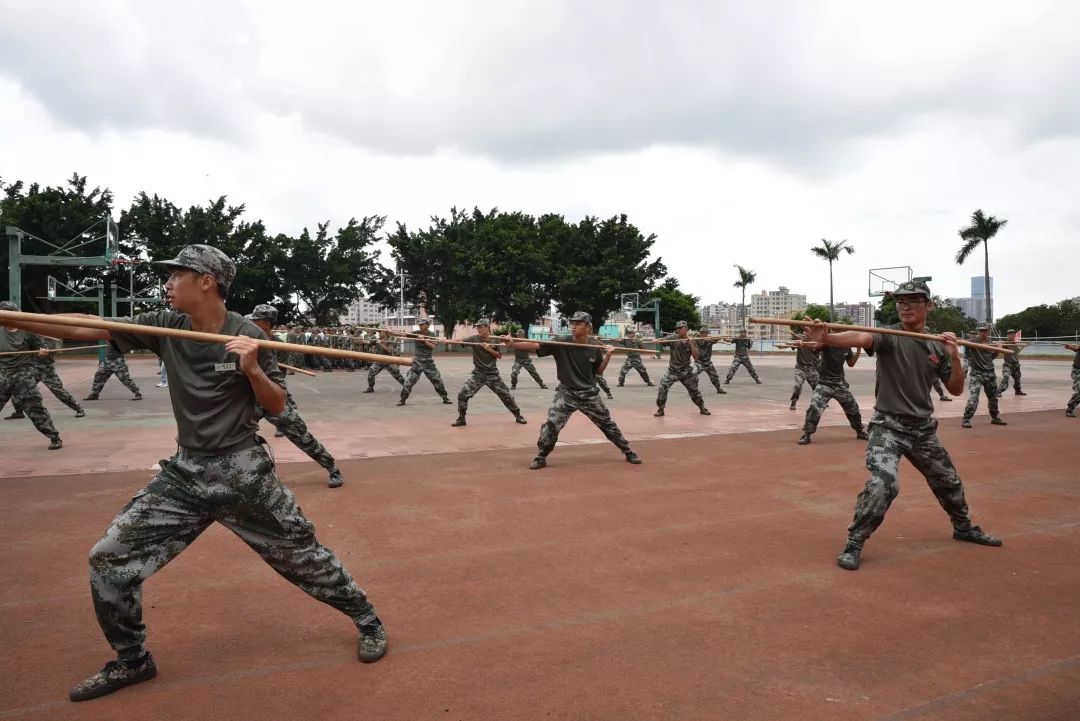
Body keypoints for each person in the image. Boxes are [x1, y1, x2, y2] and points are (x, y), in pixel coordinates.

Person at [8, 246, 386, 701]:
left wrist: (251, 369)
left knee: (303, 558)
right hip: (185, 473)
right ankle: (133, 660)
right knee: (108, 559)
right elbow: (86, 326)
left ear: (206, 281)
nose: (168, 283)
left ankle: (367, 619)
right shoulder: (165, 325)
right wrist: (13, 319)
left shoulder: (247, 334)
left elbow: (278, 405)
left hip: (243, 474)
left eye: (177, 275)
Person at [803, 280, 1002, 571]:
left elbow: (956, 389)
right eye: (901, 302)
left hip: (922, 430)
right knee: (883, 484)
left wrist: (955, 356)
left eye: (913, 301)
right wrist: (828, 338)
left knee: (949, 482)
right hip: (888, 426)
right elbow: (860, 336)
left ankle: (963, 527)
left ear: (929, 306)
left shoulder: (937, 345)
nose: (906, 307)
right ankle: (854, 541)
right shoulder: (889, 335)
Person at [504, 312, 641, 469]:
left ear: (588, 327)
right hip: (567, 392)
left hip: (589, 393)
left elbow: (598, 371)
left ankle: (628, 451)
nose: (573, 327)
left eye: (578, 324)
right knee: (551, 423)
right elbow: (536, 346)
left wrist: (608, 356)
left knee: (607, 424)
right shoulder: (562, 341)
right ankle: (541, 456)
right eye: (572, 323)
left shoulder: (594, 346)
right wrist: (513, 344)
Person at [247, 304, 345, 489]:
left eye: (255, 320)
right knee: (231, 433)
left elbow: (277, 378)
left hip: (273, 399)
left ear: (266, 324)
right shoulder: (247, 340)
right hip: (249, 399)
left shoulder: (278, 346)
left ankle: (332, 468)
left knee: (301, 435)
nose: (250, 323)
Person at [0, 301, 64, 449]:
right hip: (2, 375)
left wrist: (43, 352)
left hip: (23, 376)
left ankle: (54, 437)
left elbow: (44, 351)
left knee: (35, 409)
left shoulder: (28, 332)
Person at [451, 318, 526, 427]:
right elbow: (460, 342)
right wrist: (445, 340)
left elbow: (499, 356)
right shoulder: (474, 338)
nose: (478, 329)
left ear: (487, 327)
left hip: (492, 374)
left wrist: (488, 349)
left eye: (480, 327)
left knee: (507, 396)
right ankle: (461, 419)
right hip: (478, 374)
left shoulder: (495, 339)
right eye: (477, 327)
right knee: (462, 395)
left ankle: (518, 415)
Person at [796, 342, 868, 445]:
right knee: (814, 408)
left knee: (853, 407)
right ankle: (806, 434)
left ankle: (860, 431)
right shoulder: (827, 343)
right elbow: (815, 346)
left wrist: (858, 351)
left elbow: (851, 363)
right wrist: (803, 344)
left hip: (840, 383)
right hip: (824, 383)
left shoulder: (846, 346)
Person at [6, 334, 86, 419]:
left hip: (46, 369)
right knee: (18, 388)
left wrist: (40, 351)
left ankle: (78, 409)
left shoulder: (51, 338)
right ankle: (18, 412)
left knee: (58, 390)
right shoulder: (29, 336)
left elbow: (48, 354)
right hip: (31, 368)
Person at [654, 320, 709, 417]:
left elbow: (696, 357)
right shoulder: (673, 338)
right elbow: (663, 340)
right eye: (677, 328)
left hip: (686, 371)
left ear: (686, 329)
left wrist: (691, 343)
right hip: (673, 370)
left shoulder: (692, 340)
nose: (678, 330)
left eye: (680, 328)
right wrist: (657, 340)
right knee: (663, 387)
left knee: (694, 391)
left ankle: (702, 408)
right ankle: (660, 409)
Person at [961, 324, 1007, 428]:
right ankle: (966, 419)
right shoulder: (973, 342)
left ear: (988, 332)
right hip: (977, 374)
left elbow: (992, 357)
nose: (983, 333)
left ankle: (995, 417)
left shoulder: (991, 343)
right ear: (978, 332)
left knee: (993, 398)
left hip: (990, 373)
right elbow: (965, 348)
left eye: (985, 331)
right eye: (981, 331)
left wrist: (998, 349)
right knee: (973, 397)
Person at [398, 318, 451, 405]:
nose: (421, 326)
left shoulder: (432, 335)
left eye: (422, 324)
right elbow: (404, 335)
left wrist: (424, 341)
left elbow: (433, 347)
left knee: (437, 380)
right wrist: (389, 332)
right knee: (409, 381)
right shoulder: (416, 333)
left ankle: (445, 398)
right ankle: (402, 399)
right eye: (420, 325)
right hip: (417, 361)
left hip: (428, 362)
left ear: (427, 325)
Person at [693, 327, 728, 395]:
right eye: (701, 333)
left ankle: (718, 389)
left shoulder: (710, 340)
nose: (703, 334)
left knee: (714, 376)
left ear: (707, 333)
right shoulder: (697, 340)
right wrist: (693, 339)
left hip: (708, 362)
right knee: (693, 375)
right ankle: (694, 391)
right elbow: (690, 338)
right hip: (699, 362)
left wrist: (709, 339)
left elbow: (719, 338)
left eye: (704, 333)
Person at [788, 336, 819, 411]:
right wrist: (796, 343)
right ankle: (793, 401)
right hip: (801, 368)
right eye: (805, 332)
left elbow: (819, 348)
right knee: (798, 386)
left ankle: (820, 401)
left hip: (810, 368)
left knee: (818, 386)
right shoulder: (800, 341)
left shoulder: (814, 342)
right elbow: (792, 346)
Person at [997, 329, 1027, 396]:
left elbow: (1017, 351)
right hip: (1008, 364)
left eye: (1012, 334)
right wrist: (999, 346)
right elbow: (1001, 350)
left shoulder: (1016, 343)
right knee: (1006, 377)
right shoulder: (1006, 343)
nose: (1011, 336)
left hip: (1016, 364)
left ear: (1014, 335)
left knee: (1017, 379)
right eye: (1009, 334)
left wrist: (1024, 345)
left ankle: (1018, 391)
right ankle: (999, 391)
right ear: (1007, 335)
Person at [1064, 342, 1080, 417]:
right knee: (1079, 391)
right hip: (1077, 371)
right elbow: (1076, 349)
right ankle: (1070, 408)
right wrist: (1070, 347)